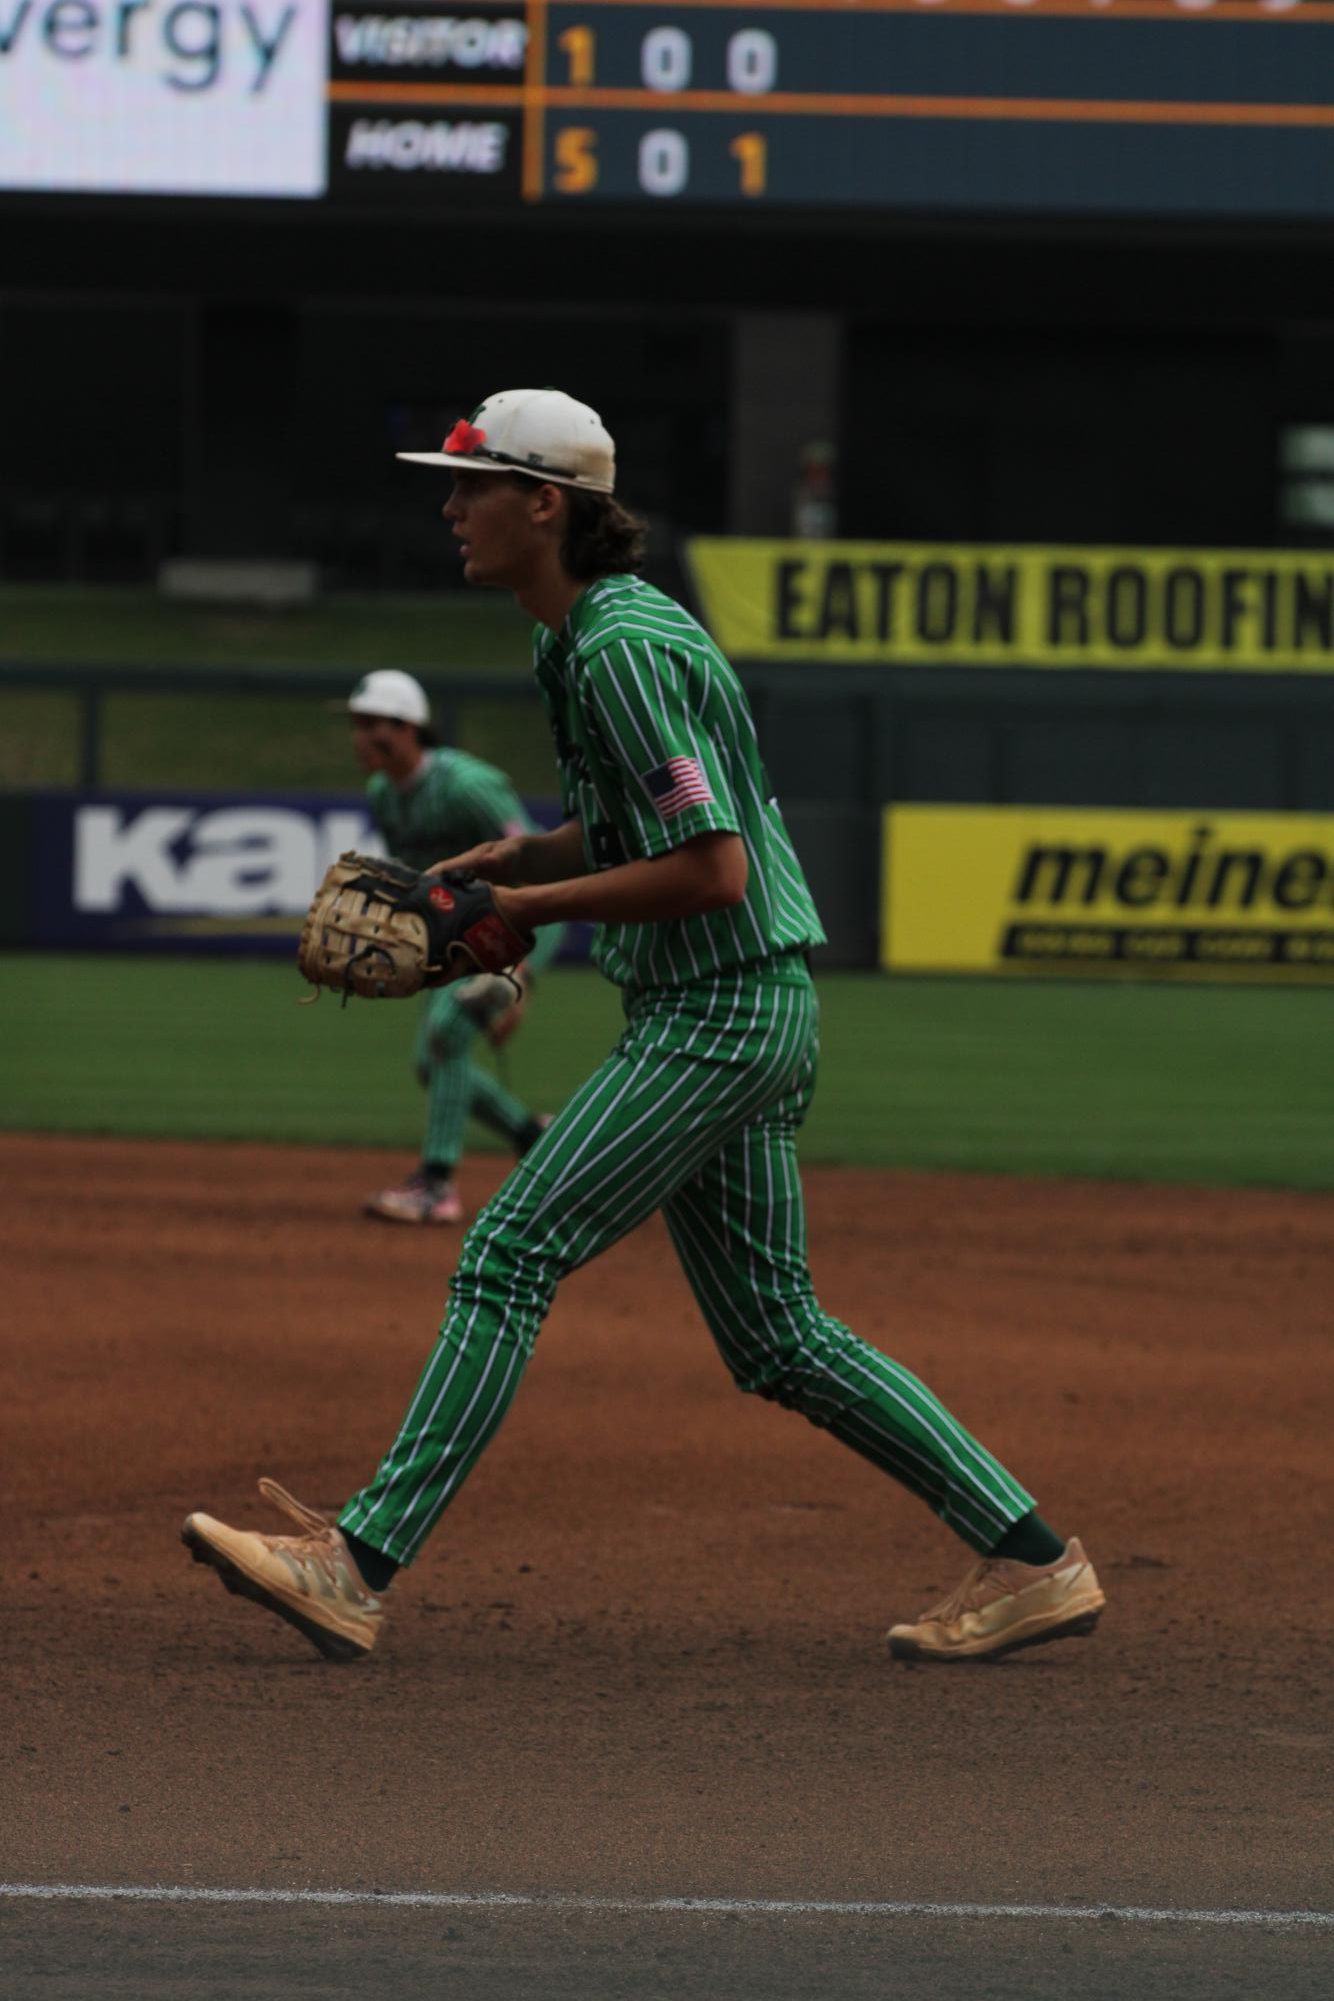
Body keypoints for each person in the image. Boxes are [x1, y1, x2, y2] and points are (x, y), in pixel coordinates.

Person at [183, 388, 1105, 1667]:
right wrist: (520, 852)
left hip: (715, 1012)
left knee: (507, 1253)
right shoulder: (584, 638)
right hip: (742, 1006)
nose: (450, 509)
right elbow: (643, 827)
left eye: (472, 488)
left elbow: (712, 866)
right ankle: (1031, 1558)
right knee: (778, 1336)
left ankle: (356, 1563)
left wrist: (518, 904)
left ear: (544, 505)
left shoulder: (615, 646)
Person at [341, 667, 564, 1224]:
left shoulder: (468, 786)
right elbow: (419, 883)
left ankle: (436, 1187)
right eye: (357, 725)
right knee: (432, 1060)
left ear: (409, 726)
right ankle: (536, 1137)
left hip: (526, 916)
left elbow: (537, 865)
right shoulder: (383, 795)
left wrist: (520, 975)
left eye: (373, 725)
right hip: (459, 932)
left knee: (445, 1037)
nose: (362, 737)